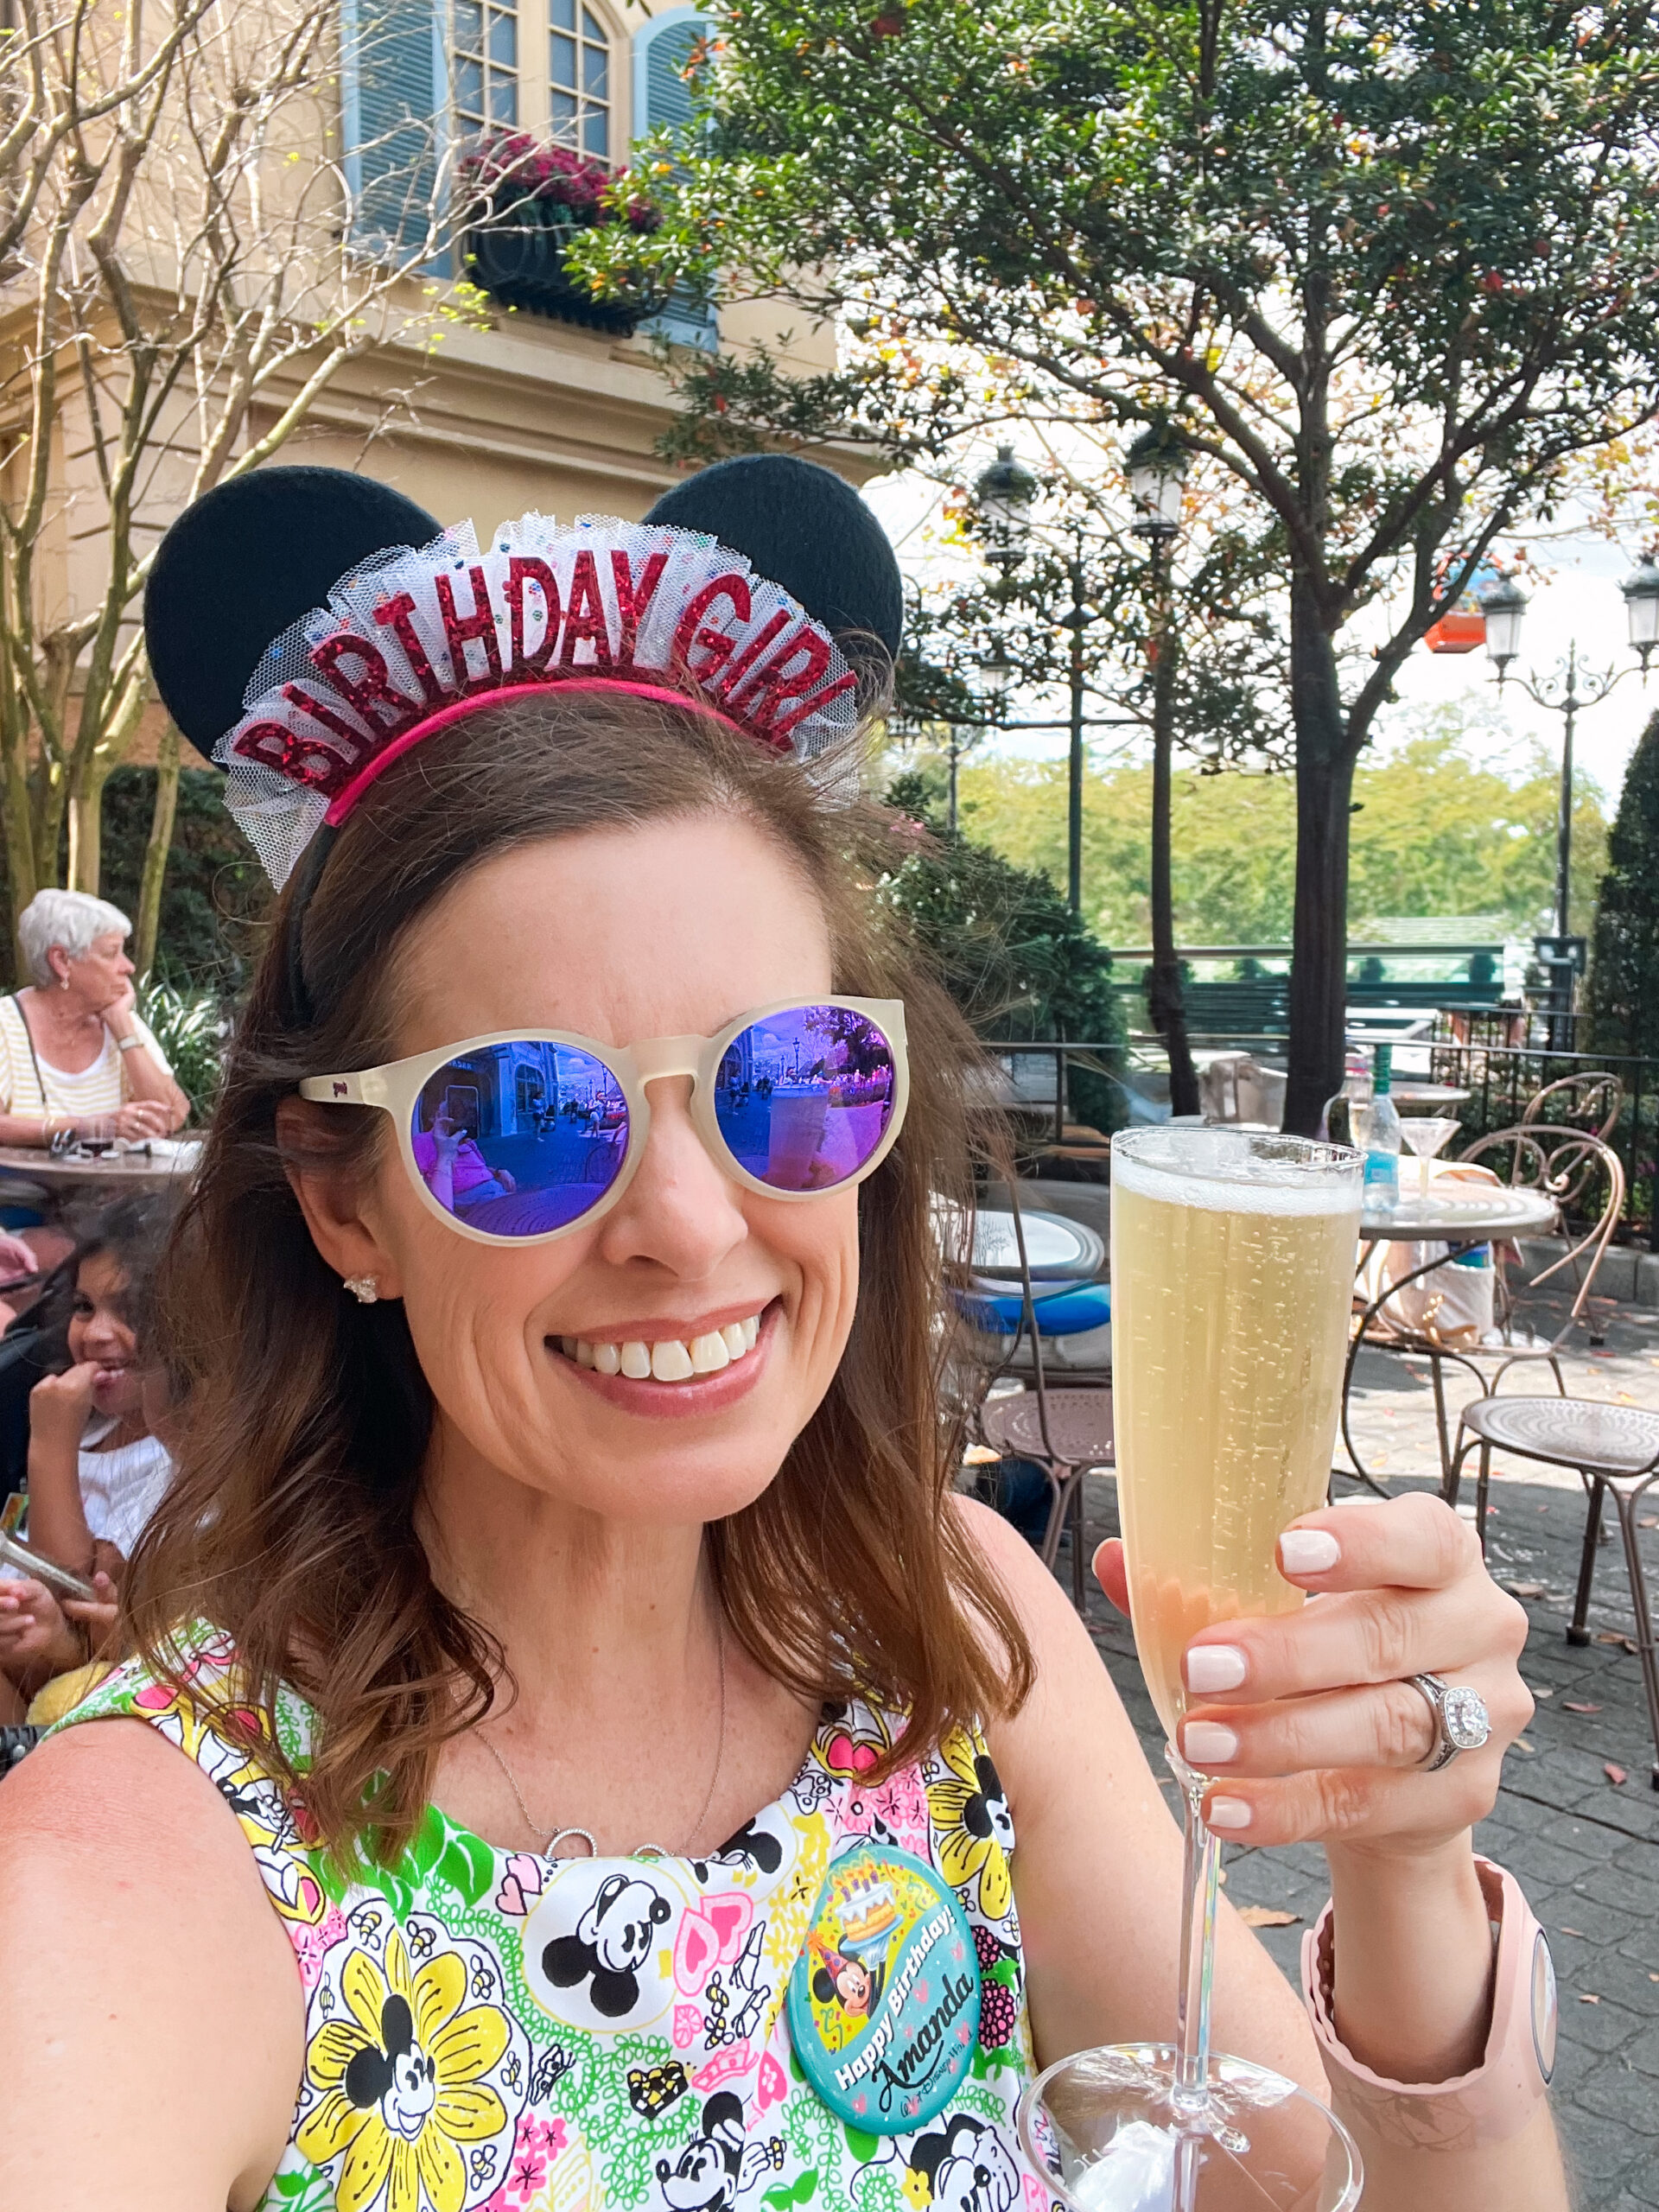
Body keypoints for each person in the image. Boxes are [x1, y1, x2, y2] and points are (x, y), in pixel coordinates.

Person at [0, 461, 1563, 2211]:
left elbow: (1291, 2175)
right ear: (345, 1202)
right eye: (523, 1115)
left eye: (787, 1078)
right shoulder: (136, 1872)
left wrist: (1406, 1863)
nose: (689, 1221)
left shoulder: (952, 1616)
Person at [0, 1192, 178, 1726]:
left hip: (69, 1698)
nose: (96, 1333)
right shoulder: (87, 1423)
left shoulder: (172, 1460)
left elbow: (76, 1613)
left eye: (132, 1312)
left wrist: (50, 1447)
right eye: (84, 1307)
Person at [0, 889, 189, 1148]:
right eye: (112, 954)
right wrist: (89, 1128)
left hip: (114, 1177)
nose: (128, 967)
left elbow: (171, 1115)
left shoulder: (121, 1020)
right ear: (62, 961)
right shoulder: (6, 1024)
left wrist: (123, 1028)